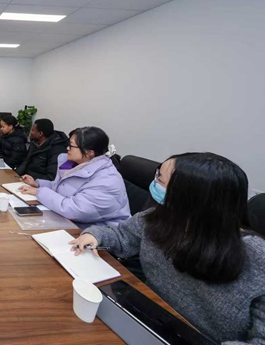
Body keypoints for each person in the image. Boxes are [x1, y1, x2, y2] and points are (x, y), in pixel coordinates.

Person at [70, 153, 265, 344]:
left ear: (191, 197)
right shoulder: (158, 218)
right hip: (147, 315)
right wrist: (95, 235)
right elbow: (122, 236)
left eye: (160, 180)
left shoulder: (257, 257)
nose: (154, 183)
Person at [19, 126, 129, 227]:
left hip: (98, 234)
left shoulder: (107, 181)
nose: (67, 148)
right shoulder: (76, 164)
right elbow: (61, 188)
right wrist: (37, 184)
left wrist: (39, 192)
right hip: (69, 222)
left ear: (89, 152)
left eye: (71, 146)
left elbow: (75, 210)